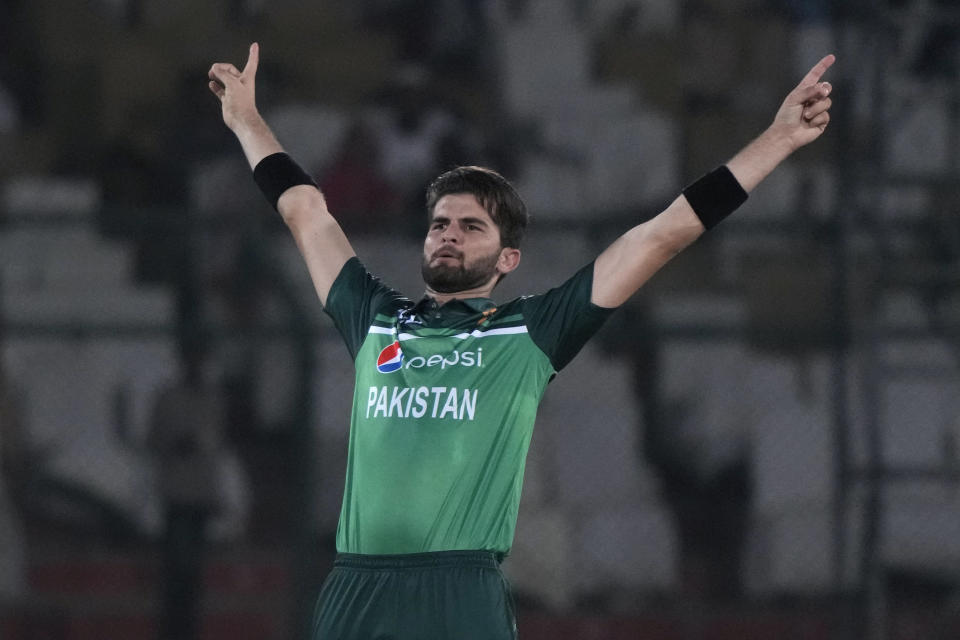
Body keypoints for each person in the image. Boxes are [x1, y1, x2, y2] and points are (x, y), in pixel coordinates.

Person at [208, 42, 835, 639]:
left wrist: (777, 141)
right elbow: (305, 210)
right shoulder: (372, 318)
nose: (448, 234)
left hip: (459, 591)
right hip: (356, 585)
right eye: (439, 224)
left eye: (471, 226)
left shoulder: (530, 332)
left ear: (508, 259)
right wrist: (245, 120)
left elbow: (660, 235)